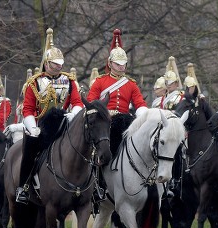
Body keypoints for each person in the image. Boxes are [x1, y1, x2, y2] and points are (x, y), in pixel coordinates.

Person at [15, 28, 84, 204]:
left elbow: (77, 103)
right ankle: (23, 187)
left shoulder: (70, 81)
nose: (58, 66)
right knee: (30, 149)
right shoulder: (34, 83)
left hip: (64, 124)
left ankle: (92, 188)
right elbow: (28, 109)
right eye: (54, 63)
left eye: (60, 63)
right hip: (41, 127)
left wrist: (71, 116)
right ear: (47, 63)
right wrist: (33, 128)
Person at [87, 28, 147, 204]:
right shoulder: (100, 82)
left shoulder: (131, 84)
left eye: (124, 64)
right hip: (106, 122)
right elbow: (91, 102)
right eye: (118, 64)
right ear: (110, 63)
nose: (122, 67)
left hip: (125, 121)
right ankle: (99, 184)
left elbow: (140, 104)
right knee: (103, 149)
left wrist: (143, 116)